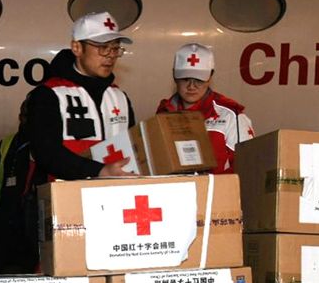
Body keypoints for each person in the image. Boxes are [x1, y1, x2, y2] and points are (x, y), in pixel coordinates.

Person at [26, 11, 135, 180]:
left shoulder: (119, 97)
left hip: (114, 195)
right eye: (103, 47)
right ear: (77, 48)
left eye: (115, 48)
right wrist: (99, 171)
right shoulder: (49, 94)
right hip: (66, 197)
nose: (111, 56)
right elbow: (45, 153)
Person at [156, 43, 253, 173]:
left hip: (216, 192)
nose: (191, 86)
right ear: (174, 76)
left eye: (199, 79)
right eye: (185, 79)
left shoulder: (231, 115)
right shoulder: (163, 113)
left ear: (210, 77)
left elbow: (246, 167)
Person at [0, 97, 39, 273]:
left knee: (30, 263)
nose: (27, 120)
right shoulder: (8, 143)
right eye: (25, 115)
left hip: (31, 213)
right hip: (6, 210)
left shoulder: (43, 143)